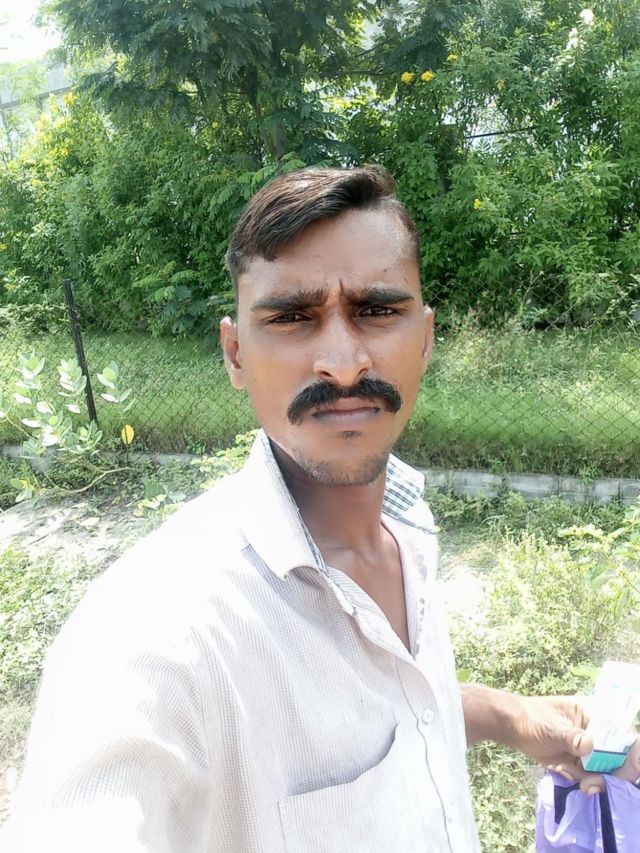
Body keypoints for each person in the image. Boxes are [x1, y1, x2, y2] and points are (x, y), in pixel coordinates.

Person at [0, 166, 634, 852]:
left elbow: (382, 707)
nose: (342, 361)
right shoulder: (155, 630)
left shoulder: (406, 523)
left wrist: (510, 715)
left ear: (425, 338)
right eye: (291, 317)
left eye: (377, 310)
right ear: (235, 353)